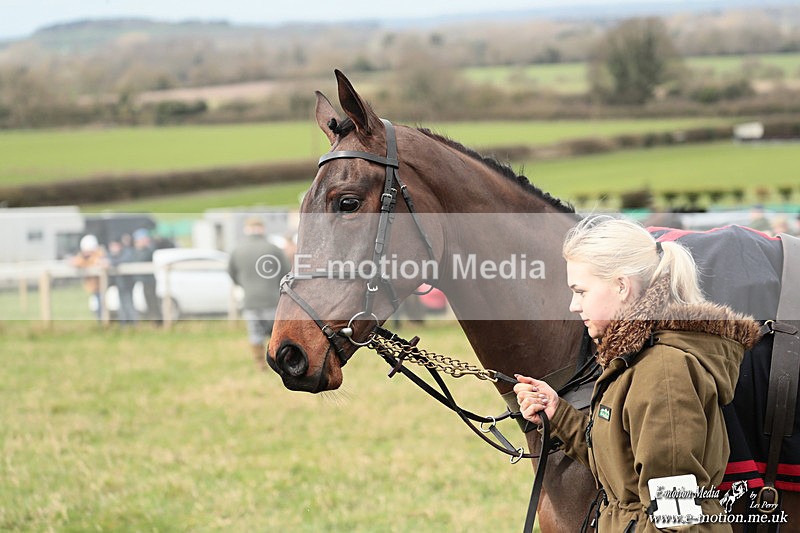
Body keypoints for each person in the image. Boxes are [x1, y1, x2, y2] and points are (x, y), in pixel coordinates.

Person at [513, 216, 761, 531]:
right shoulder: (633, 360)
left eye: (582, 291)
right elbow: (620, 463)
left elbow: (675, 517)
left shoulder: (664, 372)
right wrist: (557, 413)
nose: (574, 305)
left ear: (621, 286)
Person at [228, 217, 289, 370]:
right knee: (276, 335)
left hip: (250, 301)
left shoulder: (237, 250)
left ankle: (260, 365)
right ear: (262, 228)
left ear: (246, 229)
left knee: (255, 334)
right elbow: (286, 273)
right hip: (273, 300)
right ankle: (279, 364)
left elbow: (232, 273)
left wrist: (244, 286)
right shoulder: (274, 249)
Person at [71, 234, 108, 321]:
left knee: (101, 307)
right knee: (96, 307)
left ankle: (104, 324)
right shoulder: (84, 258)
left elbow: (96, 262)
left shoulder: (99, 255)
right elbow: (76, 262)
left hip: (102, 287)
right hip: (94, 287)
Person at [132, 228, 162, 324]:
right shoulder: (142, 249)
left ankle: (158, 322)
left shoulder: (149, 249)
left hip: (150, 281)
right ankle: (154, 321)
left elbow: (141, 259)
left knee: (153, 303)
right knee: (149, 302)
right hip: (145, 281)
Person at [108, 236, 137, 326]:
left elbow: (124, 260)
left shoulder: (127, 252)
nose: (114, 248)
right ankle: (124, 324)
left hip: (128, 283)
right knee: (121, 303)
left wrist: (111, 263)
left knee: (128, 303)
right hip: (119, 283)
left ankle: (133, 324)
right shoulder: (111, 255)